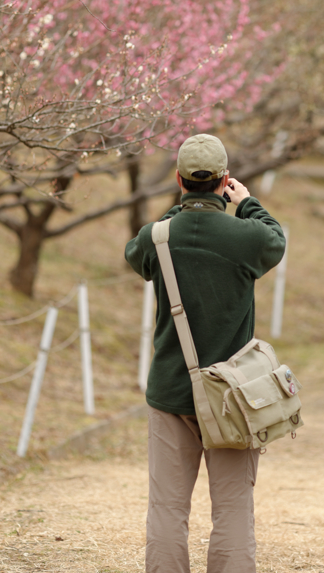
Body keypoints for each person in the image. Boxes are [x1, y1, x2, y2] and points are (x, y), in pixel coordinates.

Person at [125, 133, 286, 573]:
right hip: (234, 397)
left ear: (178, 180)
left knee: (167, 509)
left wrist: (182, 209)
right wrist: (247, 202)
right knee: (232, 509)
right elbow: (276, 239)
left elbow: (136, 255)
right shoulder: (245, 237)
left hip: (172, 392)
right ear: (224, 181)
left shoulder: (158, 237)